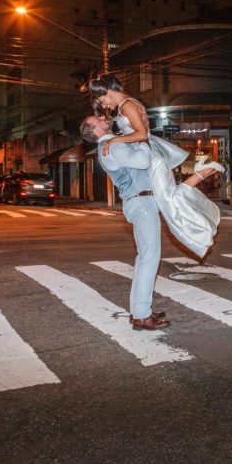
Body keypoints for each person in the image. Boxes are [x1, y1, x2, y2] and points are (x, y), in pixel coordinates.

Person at [87, 74, 222, 259]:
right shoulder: (125, 105)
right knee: (167, 198)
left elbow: (142, 134)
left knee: (167, 200)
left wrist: (116, 139)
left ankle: (201, 230)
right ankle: (201, 175)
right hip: (151, 155)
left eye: (102, 100)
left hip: (152, 160)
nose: (104, 105)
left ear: (108, 92)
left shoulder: (127, 104)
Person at [80, 114, 170, 331]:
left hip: (138, 201)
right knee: (149, 259)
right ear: (97, 130)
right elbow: (143, 161)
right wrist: (141, 137)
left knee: (144, 260)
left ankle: (139, 310)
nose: (104, 117)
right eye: (99, 119)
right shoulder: (114, 146)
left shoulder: (113, 144)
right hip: (141, 202)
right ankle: (142, 315)